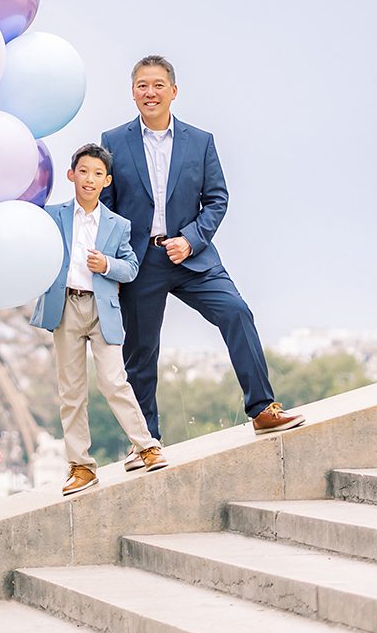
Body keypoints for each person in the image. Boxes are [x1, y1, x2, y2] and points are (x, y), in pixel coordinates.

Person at [103, 56, 302, 455]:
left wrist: (191, 239)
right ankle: (146, 442)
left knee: (237, 312)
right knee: (141, 353)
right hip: (141, 261)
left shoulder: (201, 141)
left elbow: (216, 198)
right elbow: (107, 205)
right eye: (142, 85)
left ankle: (262, 408)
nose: (150, 92)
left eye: (158, 85)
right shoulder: (113, 141)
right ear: (132, 92)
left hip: (193, 258)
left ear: (174, 91)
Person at [31, 142, 167, 492]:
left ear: (107, 181)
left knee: (113, 381)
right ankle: (81, 466)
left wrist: (106, 265)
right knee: (71, 392)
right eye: (83, 172)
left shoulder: (118, 225)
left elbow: (132, 268)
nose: (89, 179)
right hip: (65, 308)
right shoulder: (52, 215)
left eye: (97, 174)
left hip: (101, 309)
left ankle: (147, 445)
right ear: (70, 175)